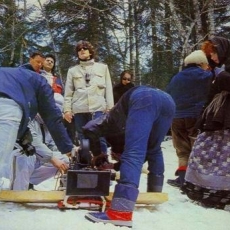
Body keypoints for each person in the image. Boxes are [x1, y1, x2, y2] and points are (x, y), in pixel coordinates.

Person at [82, 85, 175, 227]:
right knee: (153, 148)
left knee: (134, 151)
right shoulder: (121, 133)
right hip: (168, 101)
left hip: (143, 97)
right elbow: (141, 155)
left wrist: (98, 154)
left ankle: (120, 212)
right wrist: (115, 165)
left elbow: (88, 129)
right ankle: (154, 194)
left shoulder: (108, 121)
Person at [0, 66, 74, 185]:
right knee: (3, 162)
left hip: (9, 109)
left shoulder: (13, 78)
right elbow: (52, 116)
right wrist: (68, 149)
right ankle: (13, 193)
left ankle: (22, 186)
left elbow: (23, 132)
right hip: (7, 108)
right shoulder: (40, 82)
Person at [182, 36, 230, 209]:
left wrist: (222, 77)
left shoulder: (222, 71)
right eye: (211, 54)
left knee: (225, 156)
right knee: (203, 149)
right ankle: (205, 190)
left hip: (226, 119)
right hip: (215, 115)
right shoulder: (218, 69)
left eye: (215, 53)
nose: (214, 57)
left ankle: (223, 195)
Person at [166, 50, 213, 188]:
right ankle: (197, 181)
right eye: (205, 64)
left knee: (182, 150)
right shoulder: (205, 76)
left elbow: (168, 94)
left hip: (176, 117)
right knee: (197, 149)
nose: (207, 67)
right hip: (195, 117)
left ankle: (182, 179)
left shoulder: (176, 77)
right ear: (200, 63)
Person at [63, 40, 114, 153]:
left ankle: (103, 161)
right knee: (82, 136)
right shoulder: (72, 71)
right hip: (79, 108)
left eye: (84, 48)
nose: (82, 51)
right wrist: (67, 110)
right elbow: (68, 92)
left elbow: (109, 89)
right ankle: (86, 162)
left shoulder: (102, 67)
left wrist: (110, 107)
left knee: (100, 135)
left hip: (98, 108)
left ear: (90, 52)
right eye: (79, 49)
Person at [11, 94, 69, 190]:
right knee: (26, 156)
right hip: (12, 159)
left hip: (35, 158)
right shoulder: (27, 117)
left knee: (64, 159)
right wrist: (53, 159)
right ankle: (18, 190)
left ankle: (29, 182)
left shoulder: (48, 124)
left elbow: (51, 145)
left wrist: (68, 150)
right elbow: (33, 142)